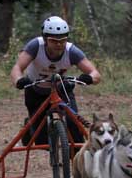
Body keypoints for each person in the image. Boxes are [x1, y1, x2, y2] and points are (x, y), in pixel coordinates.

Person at [10, 16, 101, 145]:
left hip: (61, 90)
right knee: (42, 141)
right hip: (35, 91)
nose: (59, 44)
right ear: (46, 39)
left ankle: (76, 159)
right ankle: (29, 129)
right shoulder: (35, 46)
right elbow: (17, 68)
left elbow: (96, 74)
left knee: (73, 123)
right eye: (54, 41)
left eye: (62, 40)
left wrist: (89, 78)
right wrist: (18, 80)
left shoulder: (72, 51)